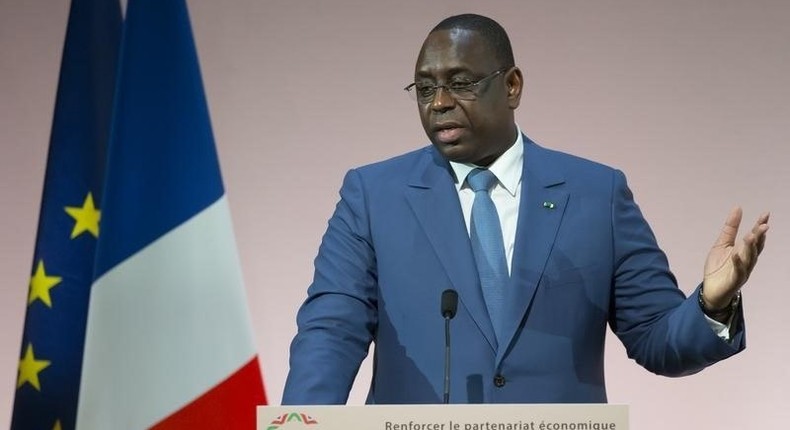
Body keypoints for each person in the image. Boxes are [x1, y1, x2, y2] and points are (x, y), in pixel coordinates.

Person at [282, 13, 769, 404]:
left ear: (512, 85)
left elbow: (656, 339)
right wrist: (301, 421)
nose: (440, 103)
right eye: (425, 88)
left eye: (461, 82)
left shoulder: (597, 194)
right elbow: (331, 330)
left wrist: (712, 304)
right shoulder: (372, 195)